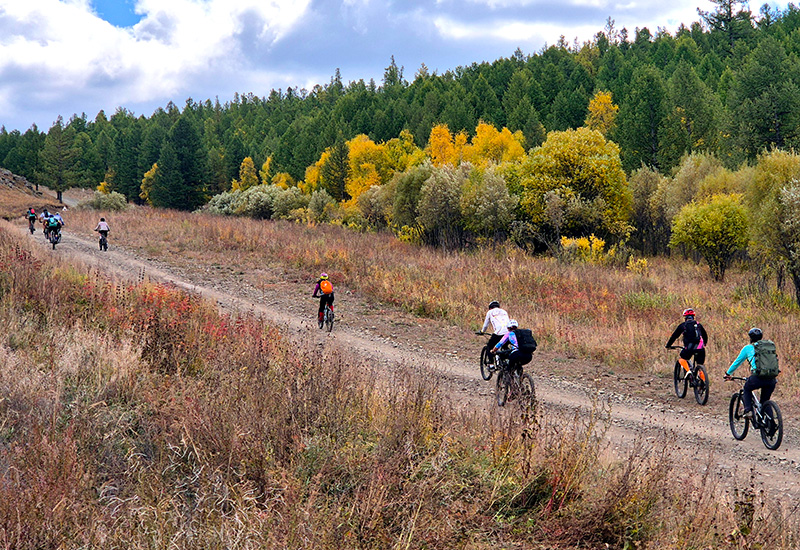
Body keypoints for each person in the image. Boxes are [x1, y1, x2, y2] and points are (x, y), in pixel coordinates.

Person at [724, 327, 779, 420]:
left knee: (747, 388)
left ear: (750, 338)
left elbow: (737, 362)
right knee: (765, 401)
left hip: (757, 378)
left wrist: (728, 374)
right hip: (771, 379)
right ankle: (771, 425)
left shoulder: (748, 348)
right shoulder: (768, 347)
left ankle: (748, 410)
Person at [665, 308, 708, 374]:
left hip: (689, 348)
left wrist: (668, 345)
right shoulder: (698, 324)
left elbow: (674, 336)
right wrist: (704, 344)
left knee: (682, 358)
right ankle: (703, 381)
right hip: (700, 348)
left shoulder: (683, 325)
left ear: (685, 317)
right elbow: (705, 335)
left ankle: (688, 372)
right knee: (700, 365)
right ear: (693, 317)